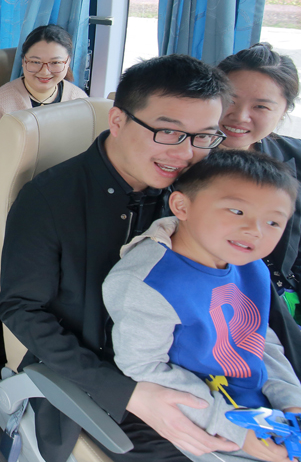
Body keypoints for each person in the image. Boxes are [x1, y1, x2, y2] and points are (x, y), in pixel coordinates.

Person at [0, 54, 299, 462]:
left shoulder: (197, 192)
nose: (185, 153)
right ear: (118, 121)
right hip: (102, 377)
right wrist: (131, 394)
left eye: (203, 136)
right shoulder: (50, 199)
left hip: (202, 365)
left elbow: (252, 317)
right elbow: (22, 309)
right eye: (169, 132)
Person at [104, 149, 301, 462]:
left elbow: (259, 341)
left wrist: (291, 401)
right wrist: (237, 432)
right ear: (182, 206)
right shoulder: (147, 282)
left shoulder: (251, 267)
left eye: (273, 222)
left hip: (262, 413)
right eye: (237, 211)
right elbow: (144, 368)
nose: (255, 230)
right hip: (197, 424)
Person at [217, 43, 301, 324]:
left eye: (261, 106)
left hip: (285, 298)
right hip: (217, 302)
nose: (240, 116)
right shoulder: (175, 160)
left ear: (284, 111)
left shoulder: (297, 159)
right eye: (229, 99)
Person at [0, 24, 87, 225]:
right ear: (23, 61)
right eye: (35, 62)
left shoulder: (79, 100)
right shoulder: (0, 103)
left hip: (65, 197)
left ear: (68, 62)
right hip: (15, 198)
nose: (45, 71)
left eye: (55, 63)